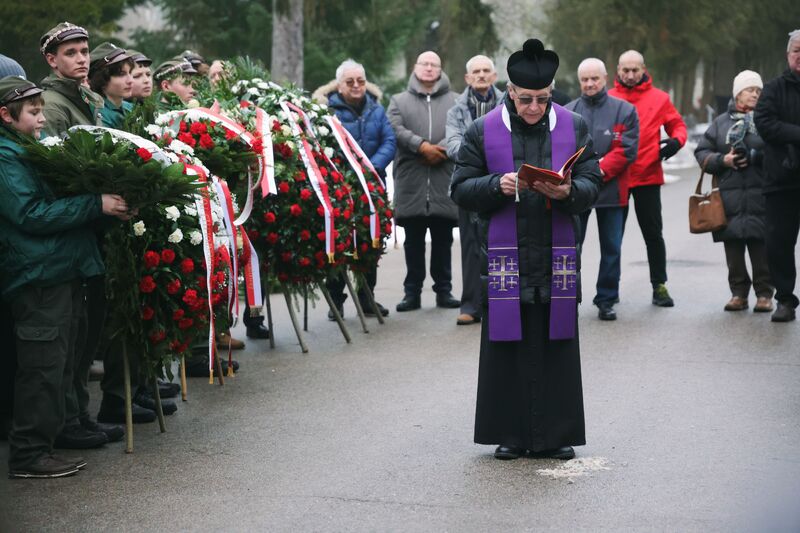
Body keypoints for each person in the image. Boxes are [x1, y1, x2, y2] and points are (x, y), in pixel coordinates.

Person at [450, 39, 601, 460]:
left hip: (555, 259)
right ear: (510, 93)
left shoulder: (575, 127)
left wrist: (569, 190)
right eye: (526, 99)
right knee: (507, 347)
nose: (534, 107)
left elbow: (593, 183)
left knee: (557, 346)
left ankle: (556, 434)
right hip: (504, 259)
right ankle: (511, 434)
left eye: (542, 99)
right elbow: (460, 188)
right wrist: (494, 185)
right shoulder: (483, 130)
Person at [0, 76, 130, 478]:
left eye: (41, 110)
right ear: (5, 115)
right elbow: (30, 214)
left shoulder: (28, 148)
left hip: (63, 268)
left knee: (62, 363)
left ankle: (52, 437)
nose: (42, 119)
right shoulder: (6, 156)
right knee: (42, 367)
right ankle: (28, 454)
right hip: (39, 275)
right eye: (34, 112)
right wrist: (94, 203)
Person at [40, 22, 125, 448]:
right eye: (70, 52)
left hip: (90, 228)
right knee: (71, 338)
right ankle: (68, 420)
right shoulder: (52, 105)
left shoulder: (86, 97)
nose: (81, 58)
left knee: (85, 329)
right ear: (51, 60)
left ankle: (80, 415)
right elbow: (55, 169)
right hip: (74, 225)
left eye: (84, 50)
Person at [312, 59, 396, 319]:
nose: (357, 85)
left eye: (360, 80)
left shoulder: (376, 109)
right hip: (340, 187)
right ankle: (336, 301)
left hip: (371, 185)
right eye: (350, 82)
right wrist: (347, 171)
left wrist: (370, 168)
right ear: (339, 85)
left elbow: (389, 140)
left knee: (371, 242)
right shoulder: (325, 111)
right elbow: (320, 145)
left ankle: (367, 297)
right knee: (338, 245)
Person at [609, 50, 686, 307]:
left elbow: (677, 124)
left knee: (653, 234)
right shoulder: (609, 98)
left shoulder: (660, 98)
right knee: (613, 237)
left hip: (648, 175)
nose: (630, 75)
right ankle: (610, 288)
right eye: (625, 70)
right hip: (616, 177)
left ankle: (659, 285)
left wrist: (677, 141)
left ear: (643, 69)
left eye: (635, 70)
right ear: (618, 71)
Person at [566, 58, 639, 321]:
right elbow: (562, 151)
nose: (589, 84)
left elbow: (626, 150)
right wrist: (582, 175)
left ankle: (606, 298)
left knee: (612, 248)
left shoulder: (625, 111)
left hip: (613, 191)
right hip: (576, 191)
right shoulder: (567, 112)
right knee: (572, 246)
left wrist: (596, 171)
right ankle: (568, 297)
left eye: (594, 78)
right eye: (584, 79)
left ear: (605, 78)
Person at [694, 71, 773, 313]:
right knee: (734, 251)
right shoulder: (720, 123)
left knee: (761, 248)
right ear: (737, 93)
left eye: (758, 91)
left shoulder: (767, 121)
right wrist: (723, 160)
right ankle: (738, 294)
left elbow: (778, 152)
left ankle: (764, 294)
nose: (755, 95)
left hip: (760, 195)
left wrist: (756, 157)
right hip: (728, 198)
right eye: (750, 90)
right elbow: (701, 152)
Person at [387, 51, 460, 312]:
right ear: (415, 67)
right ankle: (412, 294)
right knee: (413, 242)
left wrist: (438, 149)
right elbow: (394, 128)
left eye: (434, 64)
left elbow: (460, 129)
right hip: (412, 181)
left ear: (441, 69)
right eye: (424, 64)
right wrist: (421, 147)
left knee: (443, 241)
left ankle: (444, 291)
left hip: (444, 179)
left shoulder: (456, 100)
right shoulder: (398, 100)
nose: (429, 68)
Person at [446, 54, 503, 326]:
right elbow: (453, 143)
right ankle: (470, 304)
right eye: (476, 72)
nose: (481, 75)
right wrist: (481, 156)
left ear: (494, 76)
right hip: (469, 182)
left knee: (501, 241)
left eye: (486, 71)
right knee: (470, 245)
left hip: (501, 181)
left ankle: (501, 301)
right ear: (467, 78)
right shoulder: (455, 110)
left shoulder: (507, 103)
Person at [754, 29, 800, 323]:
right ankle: (785, 299)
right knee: (779, 244)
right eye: (797, 50)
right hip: (782, 181)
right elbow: (764, 123)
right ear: (788, 55)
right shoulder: (773, 89)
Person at [88, 42, 134, 129]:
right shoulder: (97, 113)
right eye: (121, 74)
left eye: (130, 73)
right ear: (101, 79)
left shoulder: (130, 107)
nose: (130, 80)